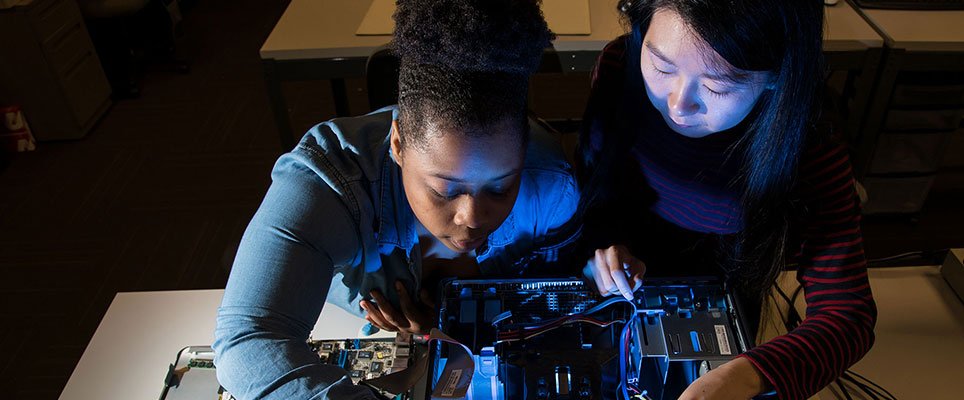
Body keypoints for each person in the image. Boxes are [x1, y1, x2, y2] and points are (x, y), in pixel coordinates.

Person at [212, 1, 579, 398]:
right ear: (398, 143)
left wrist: (446, 330)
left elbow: (561, 314)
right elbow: (247, 342)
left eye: (499, 187)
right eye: (444, 189)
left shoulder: (552, 186)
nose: (471, 217)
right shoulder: (329, 180)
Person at [577, 1, 876, 399]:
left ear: (776, 78)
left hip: (725, 290)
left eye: (718, 85)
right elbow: (593, 187)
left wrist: (746, 376)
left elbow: (848, 315)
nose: (679, 104)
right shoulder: (618, 66)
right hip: (612, 285)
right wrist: (602, 248)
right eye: (662, 67)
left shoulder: (810, 142)